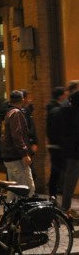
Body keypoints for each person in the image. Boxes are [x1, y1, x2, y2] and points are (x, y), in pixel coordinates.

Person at [0, 89, 35, 197]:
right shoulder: (16, 113)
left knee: (14, 189)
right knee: (26, 188)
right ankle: (24, 213)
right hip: (16, 156)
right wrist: (25, 154)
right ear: (22, 99)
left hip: (9, 156)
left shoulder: (9, 112)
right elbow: (17, 135)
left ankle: (11, 212)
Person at [57, 88, 79, 216]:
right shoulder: (73, 114)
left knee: (69, 181)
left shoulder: (66, 112)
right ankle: (65, 208)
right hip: (74, 153)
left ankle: (65, 207)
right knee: (70, 181)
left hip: (71, 152)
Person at [45, 86, 69, 198]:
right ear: (60, 96)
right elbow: (56, 129)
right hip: (57, 145)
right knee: (57, 171)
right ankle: (54, 194)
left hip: (54, 144)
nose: (66, 96)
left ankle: (54, 193)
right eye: (65, 94)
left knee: (57, 171)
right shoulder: (56, 110)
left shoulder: (53, 108)